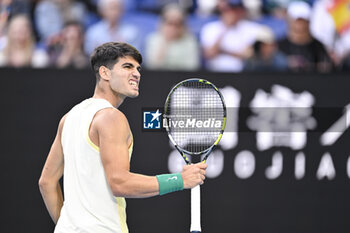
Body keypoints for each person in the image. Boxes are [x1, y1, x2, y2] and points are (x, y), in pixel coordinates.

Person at [38, 42, 207, 233]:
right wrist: (180, 180)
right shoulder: (111, 118)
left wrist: (68, 226)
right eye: (127, 67)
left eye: (138, 68)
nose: (136, 74)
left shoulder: (68, 118)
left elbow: (46, 182)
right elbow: (120, 183)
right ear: (105, 73)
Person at [200, 0, 265, 72]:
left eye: (237, 10)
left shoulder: (252, 28)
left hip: (243, 73)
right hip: (215, 72)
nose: (233, 13)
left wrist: (222, 51)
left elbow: (248, 55)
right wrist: (225, 28)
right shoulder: (210, 28)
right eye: (229, 10)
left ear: (242, 11)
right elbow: (209, 54)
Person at [278, 1, 333, 72]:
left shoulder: (318, 47)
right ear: (289, 21)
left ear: (309, 22)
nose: (300, 26)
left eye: (303, 21)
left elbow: (326, 68)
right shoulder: (279, 46)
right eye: (296, 21)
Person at [144, 3, 200, 71]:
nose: (173, 28)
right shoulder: (153, 39)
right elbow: (152, 66)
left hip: (182, 79)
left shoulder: (190, 41)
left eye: (177, 24)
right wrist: (165, 42)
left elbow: (192, 67)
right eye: (169, 23)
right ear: (162, 23)